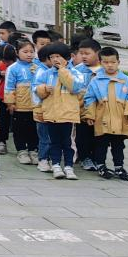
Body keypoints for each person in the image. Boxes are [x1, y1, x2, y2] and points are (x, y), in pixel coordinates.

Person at [83, 46, 128, 181]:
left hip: (120, 118)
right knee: (101, 143)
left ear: (118, 62)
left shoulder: (127, 81)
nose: (110, 65)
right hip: (102, 117)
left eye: (113, 62)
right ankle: (101, 166)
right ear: (100, 63)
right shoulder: (96, 80)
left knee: (118, 144)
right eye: (106, 62)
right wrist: (90, 115)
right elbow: (89, 98)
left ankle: (119, 167)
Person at [33, 42, 86, 180]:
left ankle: (68, 166)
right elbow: (36, 89)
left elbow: (75, 87)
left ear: (66, 57)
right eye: (52, 57)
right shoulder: (46, 73)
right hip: (51, 114)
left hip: (68, 115)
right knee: (54, 142)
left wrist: (62, 71)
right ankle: (56, 164)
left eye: (58, 56)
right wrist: (44, 89)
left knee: (67, 142)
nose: (55, 59)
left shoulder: (75, 72)